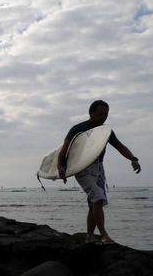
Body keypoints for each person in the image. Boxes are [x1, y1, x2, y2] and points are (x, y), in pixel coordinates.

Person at [57, 100, 141, 244]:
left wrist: (133, 158)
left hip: (99, 167)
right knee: (98, 197)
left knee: (95, 202)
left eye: (106, 114)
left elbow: (120, 146)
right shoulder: (78, 128)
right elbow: (64, 150)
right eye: (101, 114)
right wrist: (61, 167)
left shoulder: (106, 131)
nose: (104, 117)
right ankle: (104, 235)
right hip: (82, 167)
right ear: (91, 113)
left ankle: (90, 236)